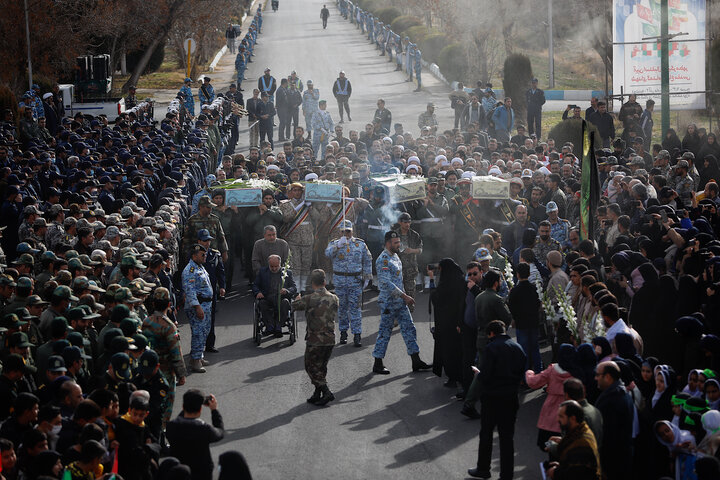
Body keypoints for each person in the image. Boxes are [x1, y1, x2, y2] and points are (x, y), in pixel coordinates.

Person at [468, 320, 527, 479]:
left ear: (491, 333)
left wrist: (478, 374)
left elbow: (486, 376)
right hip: (511, 397)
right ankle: (507, 474)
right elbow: (523, 370)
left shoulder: (491, 348)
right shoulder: (517, 348)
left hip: (492, 398)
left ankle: (483, 468)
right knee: (507, 437)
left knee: (486, 433)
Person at [372, 231, 431, 375]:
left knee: (409, 328)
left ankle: (416, 360)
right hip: (389, 303)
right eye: (396, 243)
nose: (399, 245)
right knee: (385, 332)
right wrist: (405, 296)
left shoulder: (396, 256)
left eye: (399, 242)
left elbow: (399, 280)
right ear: (388, 243)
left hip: (400, 302)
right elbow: (386, 283)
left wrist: (405, 297)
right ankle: (378, 363)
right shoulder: (383, 260)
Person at [292, 269, 339, 406]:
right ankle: (317, 393)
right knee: (321, 367)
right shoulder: (334, 298)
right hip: (330, 339)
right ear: (324, 281)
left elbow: (294, 306)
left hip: (315, 339)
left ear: (312, 283)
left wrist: (297, 299)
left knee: (311, 367)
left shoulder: (309, 298)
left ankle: (326, 391)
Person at [324, 220, 372, 347]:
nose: (346, 234)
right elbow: (327, 254)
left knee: (355, 308)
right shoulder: (335, 243)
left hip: (355, 281)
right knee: (342, 308)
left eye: (348, 231)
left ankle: (357, 334)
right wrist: (338, 246)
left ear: (352, 231)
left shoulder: (360, 244)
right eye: (343, 231)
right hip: (340, 281)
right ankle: (343, 332)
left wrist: (367, 277)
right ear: (340, 232)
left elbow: (367, 260)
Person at [166, 389, 224, 480]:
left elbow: (179, 419)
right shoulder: (205, 429)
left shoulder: (171, 427)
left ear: (183, 407)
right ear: (200, 409)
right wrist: (214, 410)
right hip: (201, 473)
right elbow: (220, 432)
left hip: (179, 472)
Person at [594, 361, 634, 480]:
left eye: (597, 375)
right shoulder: (620, 393)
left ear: (607, 377)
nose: (595, 378)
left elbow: (609, 437)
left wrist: (604, 467)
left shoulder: (612, 400)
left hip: (613, 463)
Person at [543, 400, 602, 480]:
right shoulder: (580, 431)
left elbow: (576, 474)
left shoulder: (582, 443)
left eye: (561, 416)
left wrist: (555, 472)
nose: (557, 420)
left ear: (573, 418)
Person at [430, 258, 464, 390]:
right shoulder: (461, 281)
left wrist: (432, 279)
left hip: (446, 326)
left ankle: (452, 378)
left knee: (449, 352)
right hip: (459, 323)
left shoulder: (444, 285)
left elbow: (435, 298)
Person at [182, 244, 215, 373]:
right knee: (198, 333)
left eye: (205, 254)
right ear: (194, 256)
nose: (205, 256)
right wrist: (197, 307)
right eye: (202, 255)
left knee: (204, 332)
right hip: (198, 306)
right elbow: (189, 292)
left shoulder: (199, 267)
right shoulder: (190, 270)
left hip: (206, 305)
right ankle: (195, 361)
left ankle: (198, 357)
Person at [508, 262, 542, 373]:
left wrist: (515, 318)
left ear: (517, 274)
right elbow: (538, 303)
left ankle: (526, 376)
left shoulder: (514, 291)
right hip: (533, 322)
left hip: (521, 324)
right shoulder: (533, 288)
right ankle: (538, 372)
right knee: (535, 349)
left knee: (524, 350)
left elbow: (511, 307)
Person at [252, 254, 297, 337]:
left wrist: (287, 291)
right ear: (268, 264)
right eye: (271, 266)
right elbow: (255, 285)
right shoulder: (263, 272)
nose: (274, 269)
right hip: (267, 297)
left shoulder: (287, 272)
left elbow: (294, 287)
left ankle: (278, 326)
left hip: (281, 299)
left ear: (280, 264)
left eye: (276, 266)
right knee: (261, 303)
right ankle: (270, 325)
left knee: (285, 302)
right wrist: (258, 292)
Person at [196, 229, 225, 353]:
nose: (207, 243)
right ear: (199, 241)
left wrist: (222, 286)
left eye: (208, 240)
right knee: (198, 319)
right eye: (204, 240)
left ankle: (210, 344)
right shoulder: (194, 255)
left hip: (211, 291)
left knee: (211, 317)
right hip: (198, 293)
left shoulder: (215, 254)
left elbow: (221, 272)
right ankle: (198, 346)